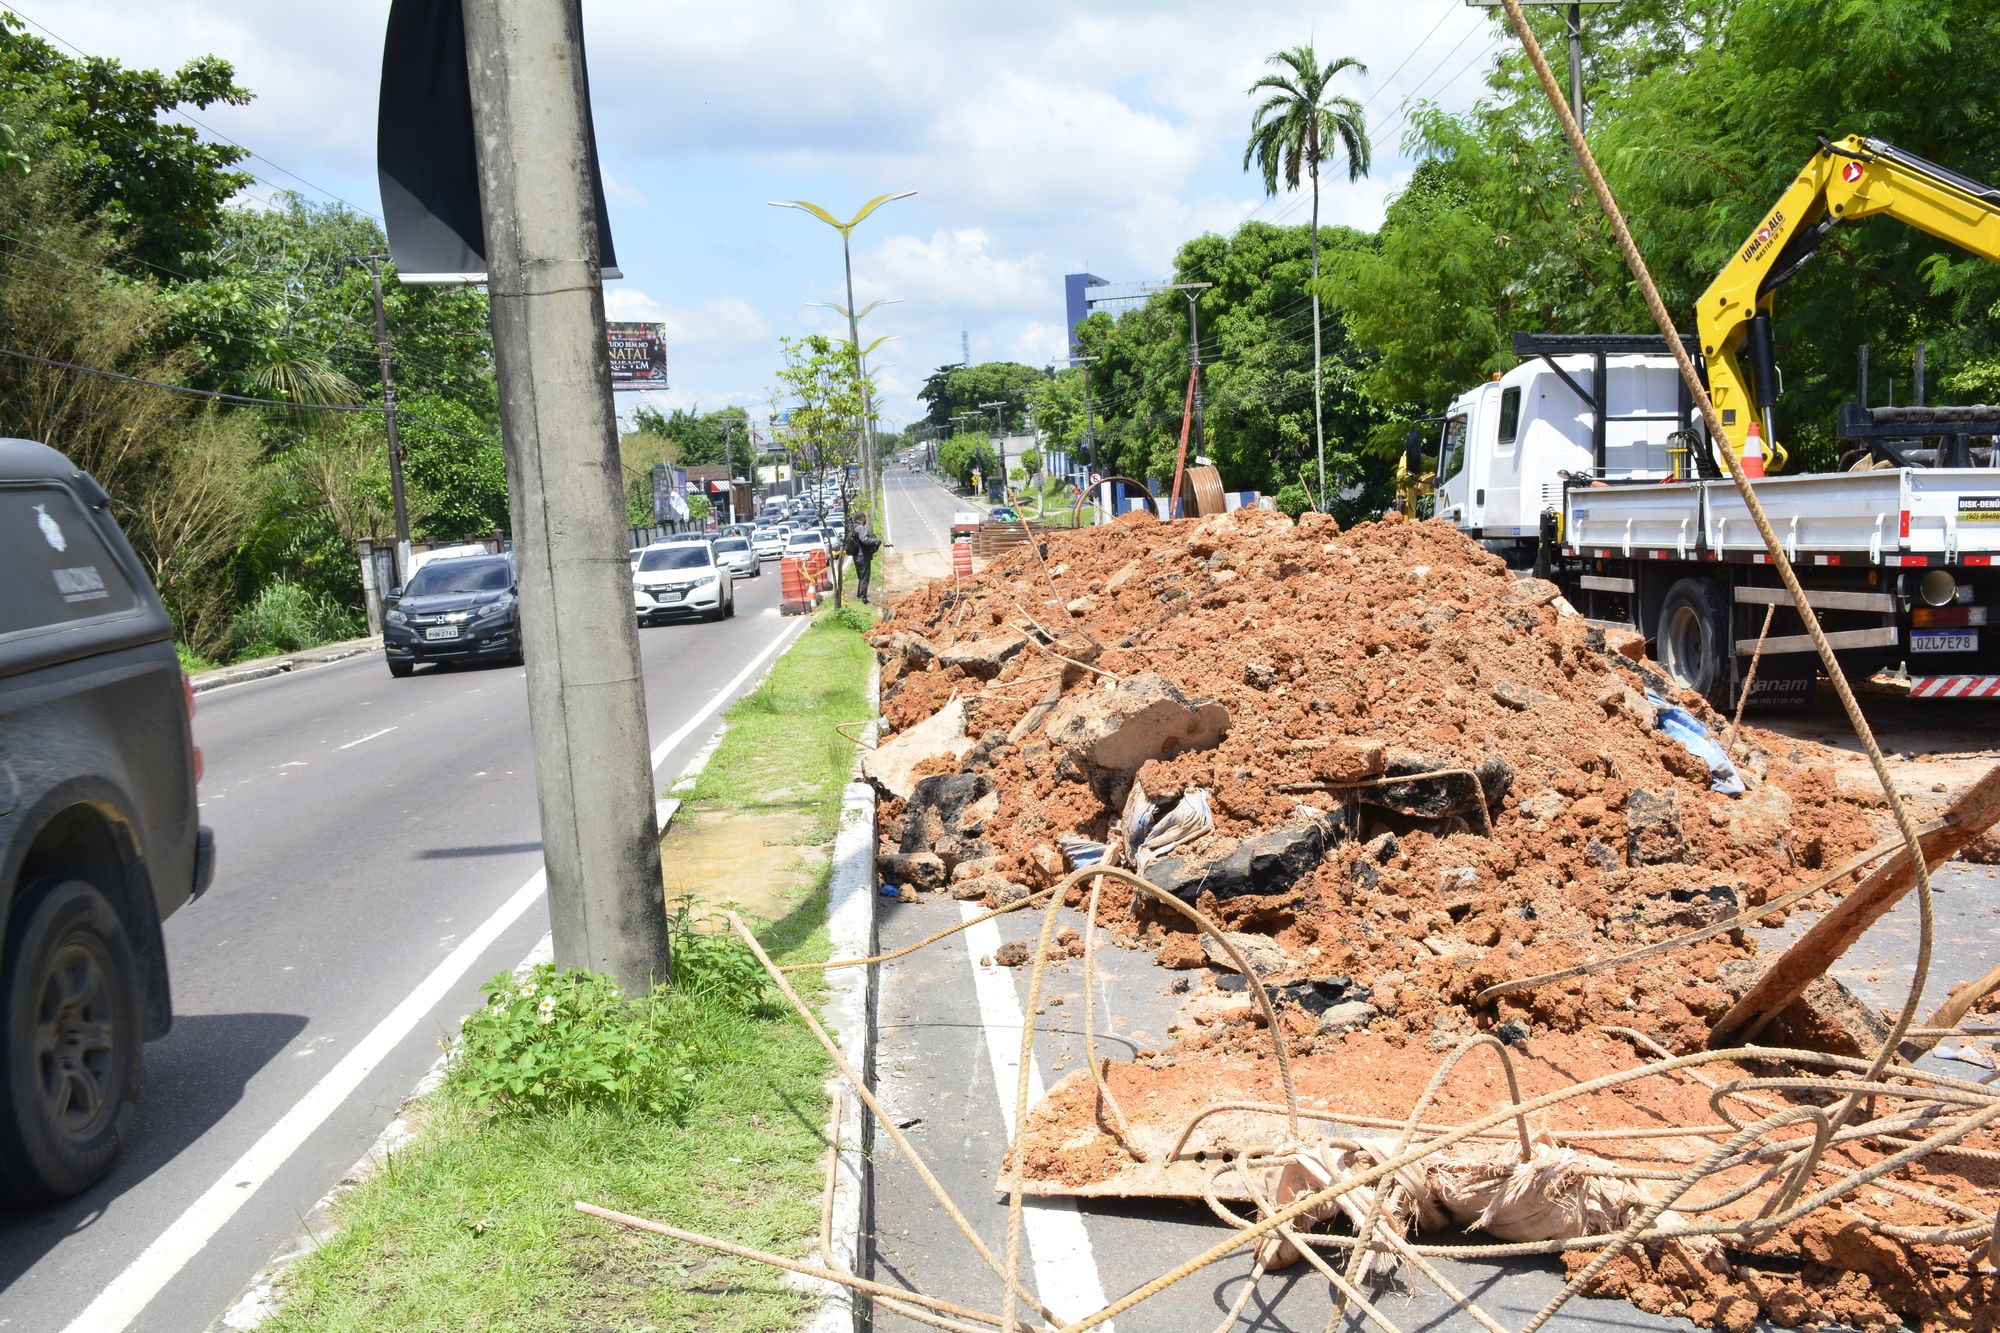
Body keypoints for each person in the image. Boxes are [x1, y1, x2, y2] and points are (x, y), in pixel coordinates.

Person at [846, 516, 883, 603]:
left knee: (861, 577)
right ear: (861, 519)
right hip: (863, 557)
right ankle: (863, 598)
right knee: (865, 578)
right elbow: (864, 540)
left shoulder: (852, 528)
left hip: (856, 557)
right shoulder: (860, 528)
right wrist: (876, 540)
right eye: (864, 519)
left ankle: (860, 595)